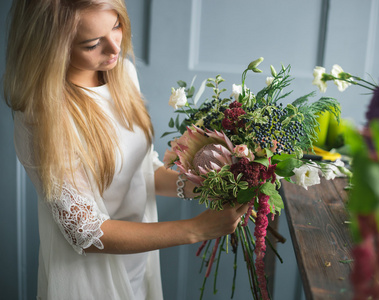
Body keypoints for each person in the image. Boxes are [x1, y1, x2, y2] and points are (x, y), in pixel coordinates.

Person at [3, 0, 249, 299]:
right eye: (92, 43)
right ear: (51, 48)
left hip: (138, 262)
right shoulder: (43, 116)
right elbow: (87, 232)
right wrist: (195, 230)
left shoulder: (123, 74)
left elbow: (144, 172)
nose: (114, 48)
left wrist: (214, 187)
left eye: (116, 26)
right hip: (88, 279)